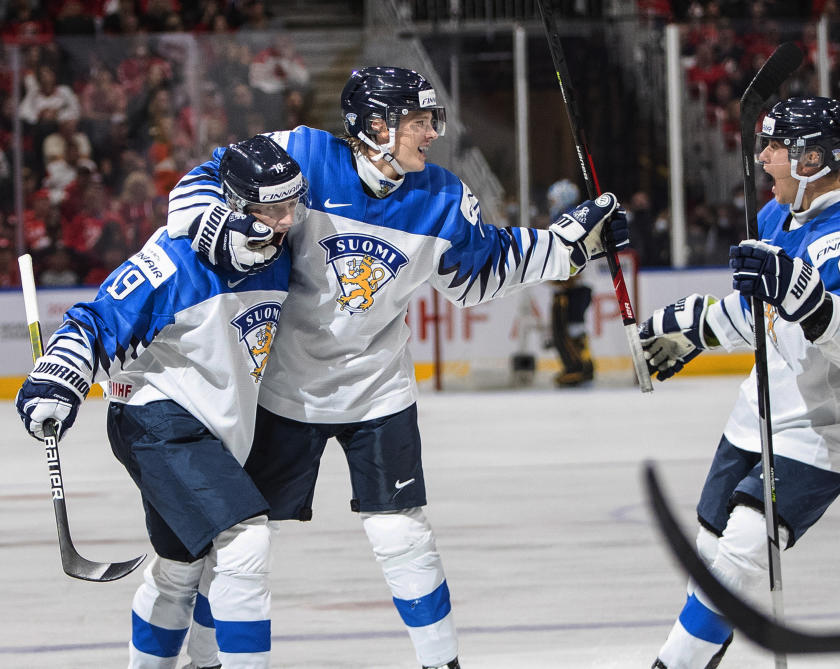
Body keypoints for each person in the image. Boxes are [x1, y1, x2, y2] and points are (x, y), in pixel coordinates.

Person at [165, 66, 627, 669]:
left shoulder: (441, 196)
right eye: (419, 121)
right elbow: (198, 182)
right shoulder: (303, 154)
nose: (433, 132)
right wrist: (223, 228)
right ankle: (207, 661)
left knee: (402, 534)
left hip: (378, 391)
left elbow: (481, 273)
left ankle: (443, 664)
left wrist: (566, 245)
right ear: (375, 126)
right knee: (244, 544)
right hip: (285, 392)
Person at [16, 134, 307, 669]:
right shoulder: (173, 261)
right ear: (237, 208)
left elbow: (220, 160)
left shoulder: (280, 252)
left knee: (182, 567)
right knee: (243, 544)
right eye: (276, 208)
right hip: (156, 419)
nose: (290, 219)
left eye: (294, 204)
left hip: (215, 427)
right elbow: (99, 319)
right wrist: (58, 378)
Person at [639, 96, 840, 668]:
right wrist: (697, 328)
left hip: (824, 432)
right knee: (707, 557)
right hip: (756, 412)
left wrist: (804, 295)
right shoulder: (779, 217)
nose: (762, 158)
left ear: (811, 159)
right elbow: (761, 314)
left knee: (737, 559)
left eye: (775, 147)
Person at [545, 178, 595, 387]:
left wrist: (562, 280)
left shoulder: (564, 219)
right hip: (577, 287)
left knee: (563, 332)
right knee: (576, 329)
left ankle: (576, 368)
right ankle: (583, 367)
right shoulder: (580, 216)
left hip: (570, 289)